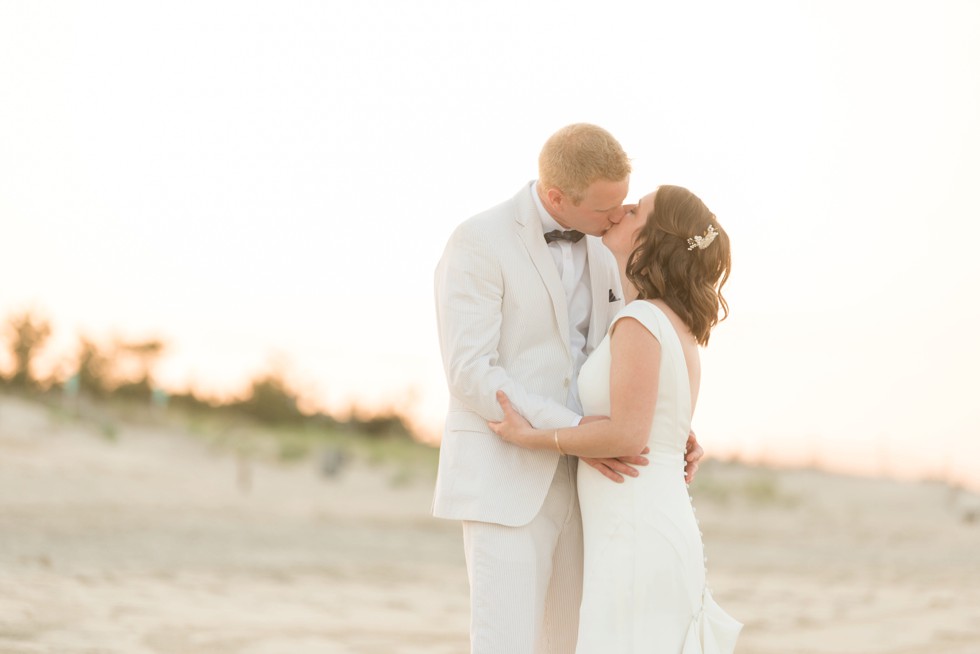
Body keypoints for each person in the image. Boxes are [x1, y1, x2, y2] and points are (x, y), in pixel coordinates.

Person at [432, 123, 704, 653]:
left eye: (625, 204)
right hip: (505, 477)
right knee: (504, 642)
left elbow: (625, 355)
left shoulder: (614, 251)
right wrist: (576, 429)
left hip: (593, 486)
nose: (620, 217)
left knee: (570, 645)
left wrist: (667, 423)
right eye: (607, 209)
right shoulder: (479, 240)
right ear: (557, 197)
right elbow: (470, 370)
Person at [489, 185, 743, 653]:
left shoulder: (641, 320)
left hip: (635, 529)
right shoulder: (670, 321)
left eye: (636, 210)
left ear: (652, 241)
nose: (622, 211)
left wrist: (532, 436)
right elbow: (653, 418)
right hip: (647, 520)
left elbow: (628, 433)